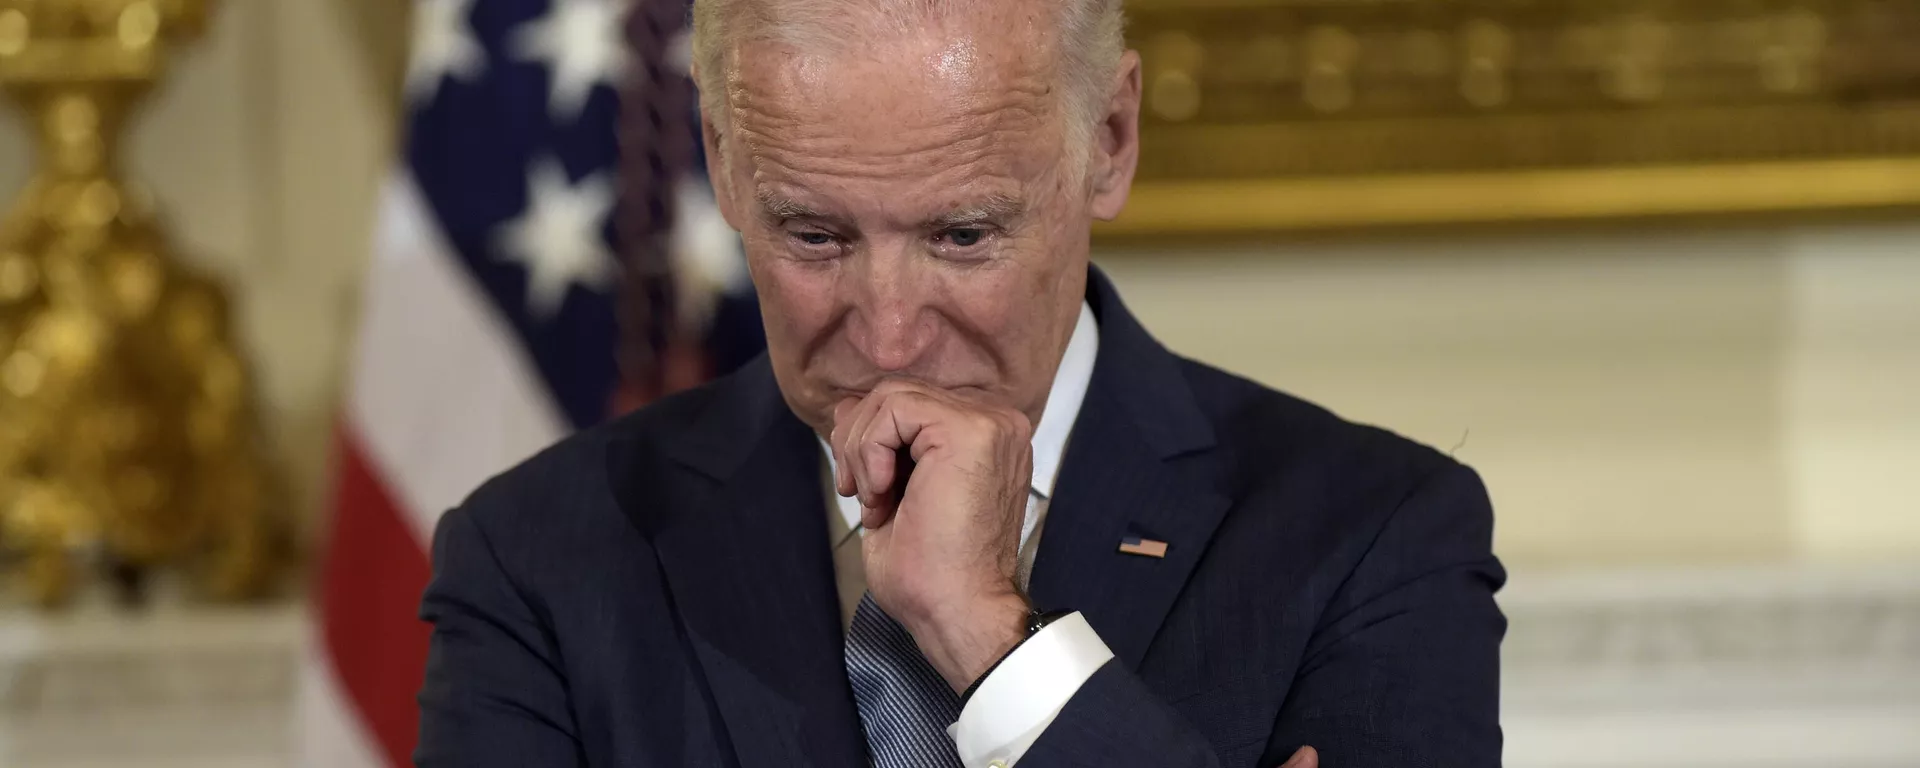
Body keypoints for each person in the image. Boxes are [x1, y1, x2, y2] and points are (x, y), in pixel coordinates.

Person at [414, 0, 1506, 765]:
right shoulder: (539, 561)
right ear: (720, 154)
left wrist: (994, 641)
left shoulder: (1373, 540)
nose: (887, 333)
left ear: (1111, 142)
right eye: (814, 234)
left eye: (963, 234)